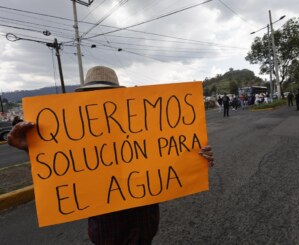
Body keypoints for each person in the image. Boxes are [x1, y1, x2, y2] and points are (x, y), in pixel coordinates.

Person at [7, 66, 215, 245]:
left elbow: (170, 156)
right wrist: (31, 149)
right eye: (94, 93)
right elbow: (58, 170)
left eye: (106, 94)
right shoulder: (77, 136)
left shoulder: (142, 128)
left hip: (144, 226)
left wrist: (196, 158)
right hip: (108, 231)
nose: (100, 99)